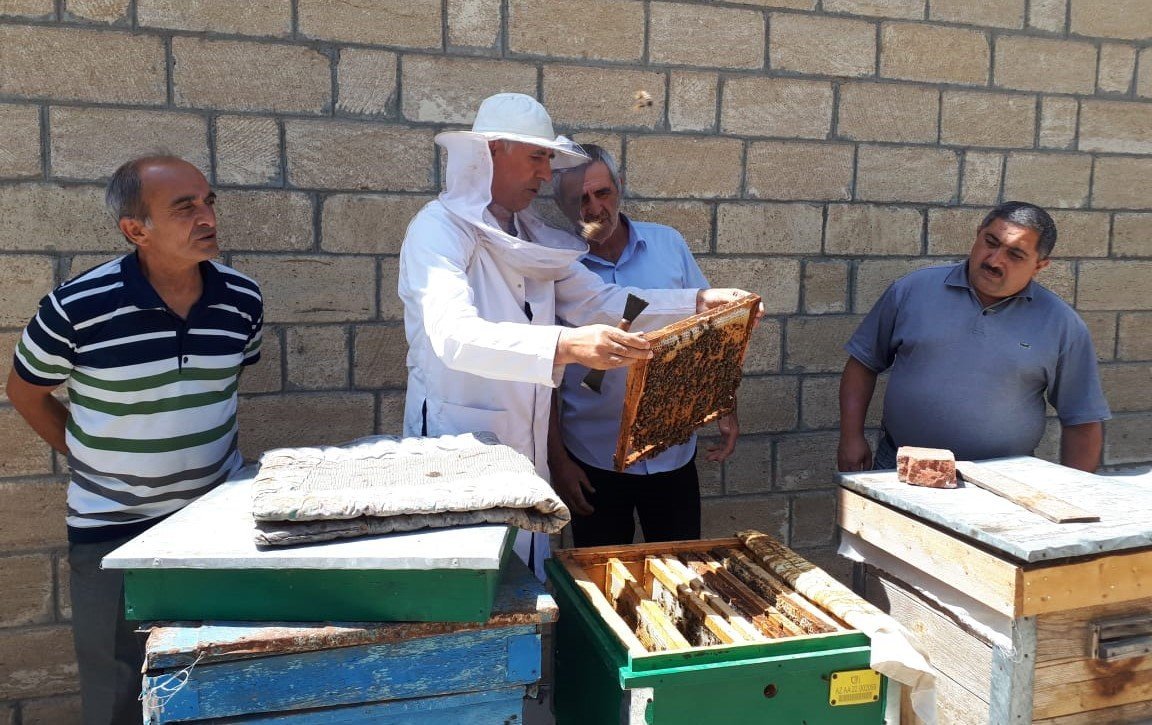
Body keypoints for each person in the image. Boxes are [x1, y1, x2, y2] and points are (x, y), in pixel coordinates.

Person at [398, 93, 756, 578]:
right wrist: (567, 346)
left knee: (524, 586)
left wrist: (694, 302)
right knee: (468, 590)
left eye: (548, 158)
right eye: (537, 157)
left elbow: (602, 302)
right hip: (459, 453)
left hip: (525, 464)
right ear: (492, 152)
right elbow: (453, 336)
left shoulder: (530, 235)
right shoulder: (437, 232)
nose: (546, 174)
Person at [6, 156, 264, 725]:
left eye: (208, 201)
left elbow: (218, 388)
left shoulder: (242, 299)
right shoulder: (76, 309)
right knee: (117, 691)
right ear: (135, 229)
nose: (207, 216)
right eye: (184, 207)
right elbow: (24, 392)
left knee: (215, 679)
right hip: (110, 532)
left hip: (213, 525)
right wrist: (88, 457)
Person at [546, 145, 738, 546]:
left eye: (602, 193)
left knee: (682, 575)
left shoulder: (668, 244)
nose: (593, 207)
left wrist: (725, 407)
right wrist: (559, 461)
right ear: (561, 206)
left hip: (672, 450)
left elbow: (710, 333)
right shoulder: (553, 266)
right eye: (579, 199)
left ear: (618, 188)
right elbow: (542, 371)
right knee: (602, 583)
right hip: (592, 457)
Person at [837, 201, 1109, 473]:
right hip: (902, 469)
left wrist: (1075, 494)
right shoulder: (913, 290)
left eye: (1015, 254)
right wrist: (851, 437)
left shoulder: (1061, 324)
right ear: (978, 234)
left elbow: (1082, 421)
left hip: (1005, 482)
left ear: (1039, 265)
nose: (994, 260)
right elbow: (863, 364)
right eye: (990, 242)